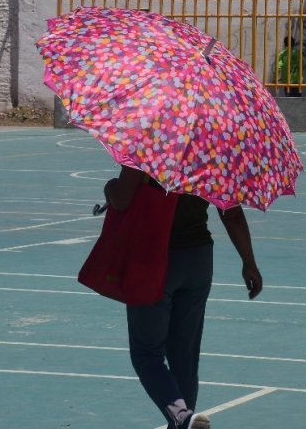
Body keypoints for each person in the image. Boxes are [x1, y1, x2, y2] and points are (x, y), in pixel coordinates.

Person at [105, 165, 262, 429]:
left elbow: (121, 199)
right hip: (198, 259)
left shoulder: (147, 148)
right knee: (184, 355)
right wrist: (249, 262)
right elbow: (231, 214)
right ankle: (185, 423)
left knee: (147, 353)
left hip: (155, 258)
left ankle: (181, 416)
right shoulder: (211, 154)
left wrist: (109, 187)